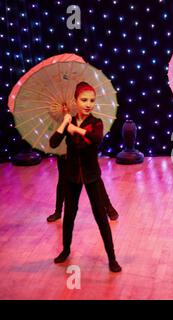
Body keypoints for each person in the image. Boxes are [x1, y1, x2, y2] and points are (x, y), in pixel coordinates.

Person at [49, 81, 121, 272]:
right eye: (84, 100)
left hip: (91, 177)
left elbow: (95, 140)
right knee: (69, 215)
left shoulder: (96, 122)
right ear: (76, 101)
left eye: (91, 100)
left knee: (100, 217)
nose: (88, 104)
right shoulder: (69, 121)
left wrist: (76, 130)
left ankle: (112, 258)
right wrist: (65, 123)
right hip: (72, 177)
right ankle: (65, 250)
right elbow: (54, 143)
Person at [46, 155, 119, 222]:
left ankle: (109, 207)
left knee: (95, 178)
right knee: (62, 179)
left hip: (84, 146)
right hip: (65, 148)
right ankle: (58, 211)